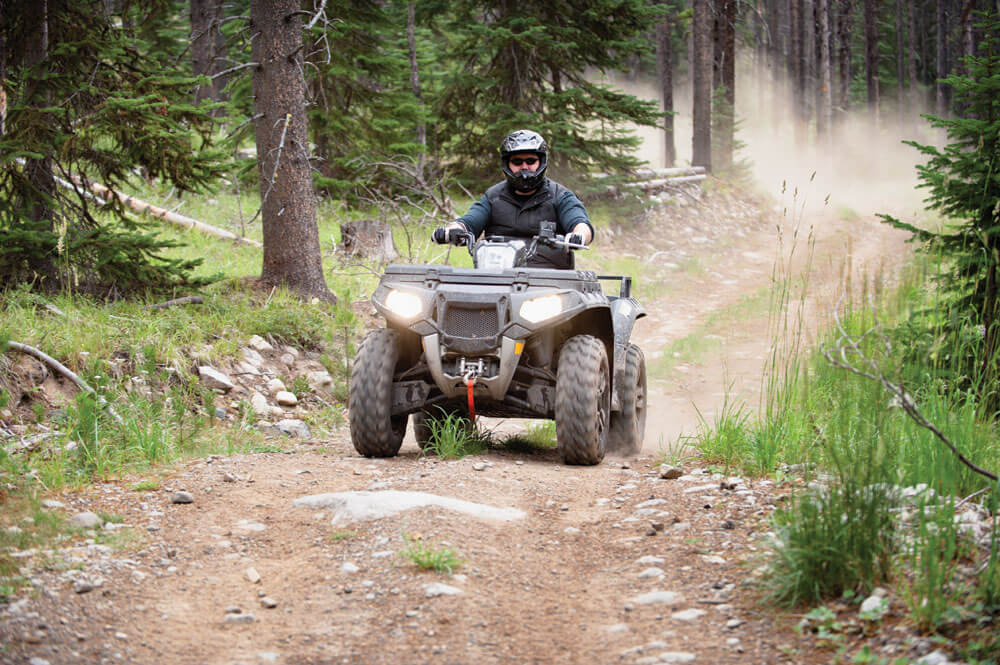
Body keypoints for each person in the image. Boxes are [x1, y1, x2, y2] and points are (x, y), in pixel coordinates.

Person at [432, 129, 594, 269]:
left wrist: (579, 235)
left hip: (549, 281)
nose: (524, 167)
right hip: (497, 278)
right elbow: (468, 222)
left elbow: (580, 224)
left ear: (541, 162)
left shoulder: (560, 196)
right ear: (507, 164)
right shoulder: (493, 197)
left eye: (531, 161)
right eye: (517, 161)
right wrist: (452, 231)